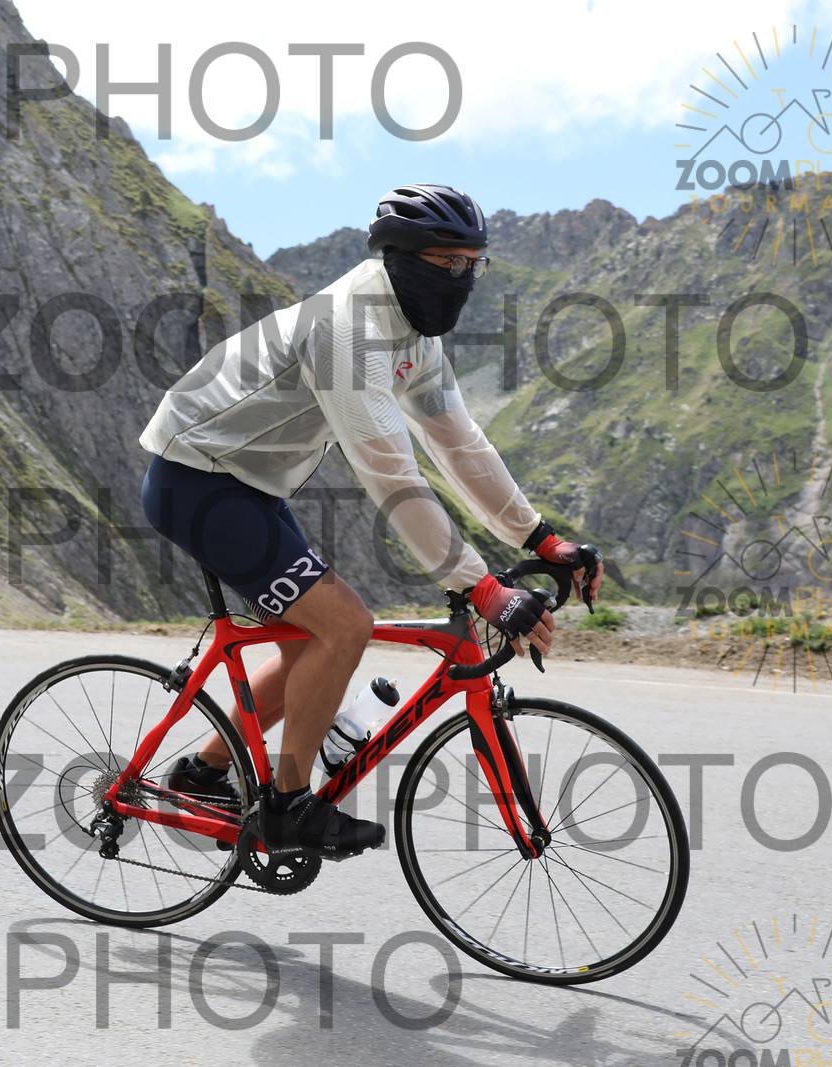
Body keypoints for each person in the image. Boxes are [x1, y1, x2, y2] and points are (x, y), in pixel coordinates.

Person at [138, 183, 604, 858]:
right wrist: (481, 587)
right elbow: (393, 474)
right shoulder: (346, 330)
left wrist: (540, 537)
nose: (463, 277)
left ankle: (201, 774)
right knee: (345, 625)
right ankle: (287, 808)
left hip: (249, 483)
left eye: (474, 263)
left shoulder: (412, 332)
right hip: (196, 480)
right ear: (403, 257)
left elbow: (460, 445)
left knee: (308, 643)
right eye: (449, 262)